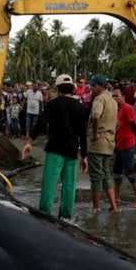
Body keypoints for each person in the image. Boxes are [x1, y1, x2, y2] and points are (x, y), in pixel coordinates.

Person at [22, 73, 87, 219]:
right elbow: (83, 134)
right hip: (72, 150)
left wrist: (30, 142)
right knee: (69, 186)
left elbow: (41, 122)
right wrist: (84, 156)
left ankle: (44, 215)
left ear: (57, 89)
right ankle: (66, 218)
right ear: (73, 89)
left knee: (49, 183)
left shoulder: (53, 104)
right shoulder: (80, 108)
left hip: (55, 148)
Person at [85, 74, 119, 212]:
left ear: (101, 86)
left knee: (96, 177)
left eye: (93, 85)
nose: (91, 88)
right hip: (109, 142)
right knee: (106, 175)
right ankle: (114, 206)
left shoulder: (99, 99)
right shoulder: (112, 100)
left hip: (98, 143)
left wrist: (94, 133)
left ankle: (96, 208)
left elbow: (96, 116)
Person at [111, 87, 136, 208]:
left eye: (116, 96)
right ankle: (117, 196)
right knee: (116, 173)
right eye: (113, 96)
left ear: (123, 96)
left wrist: (135, 137)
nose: (114, 98)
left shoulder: (127, 108)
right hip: (121, 145)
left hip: (127, 146)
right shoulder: (119, 110)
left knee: (130, 172)